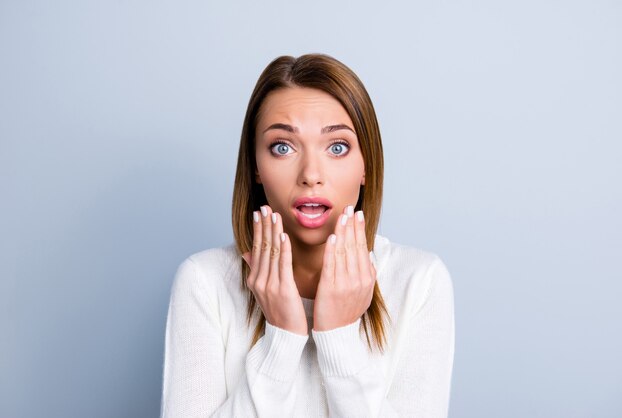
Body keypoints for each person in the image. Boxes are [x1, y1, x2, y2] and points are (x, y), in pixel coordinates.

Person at [160, 54, 455, 417]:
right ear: (256, 166)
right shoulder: (204, 282)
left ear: (366, 165)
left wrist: (339, 339)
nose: (311, 174)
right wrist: (281, 338)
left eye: (337, 147)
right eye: (283, 147)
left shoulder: (419, 280)